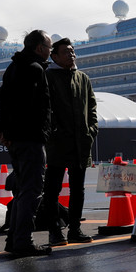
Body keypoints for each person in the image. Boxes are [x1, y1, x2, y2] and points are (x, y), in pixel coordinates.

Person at [0, 30, 54, 257]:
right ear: (39, 48)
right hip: (29, 138)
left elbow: (2, 101)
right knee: (32, 190)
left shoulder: (14, 67)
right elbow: (32, 108)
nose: (50, 51)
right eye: (48, 47)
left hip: (16, 138)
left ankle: (14, 239)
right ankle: (22, 242)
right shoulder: (34, 69)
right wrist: (44, 133)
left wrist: (1, 130)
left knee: (22, 191)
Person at [40, 38, 98, 245]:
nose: (71, 55)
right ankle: (54, 231)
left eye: (73, 52)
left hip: (81, 141)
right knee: (52, 189)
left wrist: (92, 130)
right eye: (66, 52)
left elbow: (92, 107)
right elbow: (43, 107)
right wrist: (53, 131)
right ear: (54, 56)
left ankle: (75, 229)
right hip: (57, 142)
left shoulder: (83, 78)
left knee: (78, 189)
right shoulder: (47, 77)